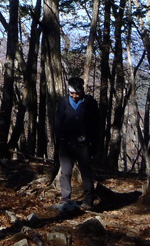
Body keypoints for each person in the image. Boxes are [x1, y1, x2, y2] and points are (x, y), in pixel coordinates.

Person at [54, 76, 99, 208]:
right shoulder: (63, 102)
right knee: (66, 172)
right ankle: (66, 198)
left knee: (86, 172)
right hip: (66, 144)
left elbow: (96, 124)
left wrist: (94, 144)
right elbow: (57, 122)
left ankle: (88, 200)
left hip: (83, 144)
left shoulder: (89, 102)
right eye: (72, 93)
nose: (74, 96)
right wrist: (58, 141)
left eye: (77, 93)